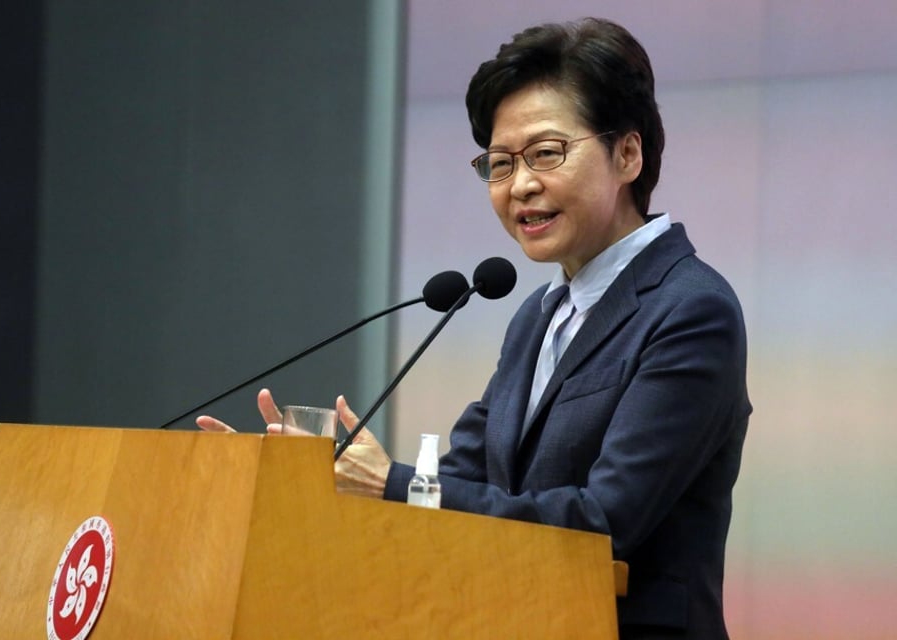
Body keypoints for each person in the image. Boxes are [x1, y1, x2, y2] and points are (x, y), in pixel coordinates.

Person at [198, 17, 750, 640]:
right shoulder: (537, 318)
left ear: (627, 153)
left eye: (545, 153)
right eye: (499, 163)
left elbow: (605, 523)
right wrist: (305, 482)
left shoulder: (690, 310)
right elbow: (457, 487)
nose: (520, 185)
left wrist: (396, 484)